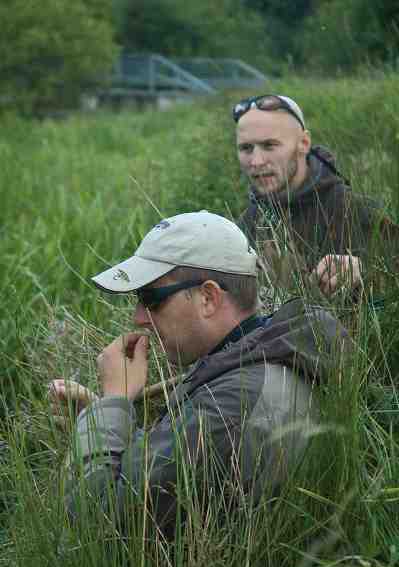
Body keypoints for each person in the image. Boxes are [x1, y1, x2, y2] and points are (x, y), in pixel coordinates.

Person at [51, 211, 350, 534]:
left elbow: (92, 518)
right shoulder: (268, 352)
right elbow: (170, 469)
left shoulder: (230, 403)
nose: (139, 317)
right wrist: (102, 416)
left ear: (208, 297)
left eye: (150, 298)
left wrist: (115, 399)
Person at [234, 94, 397, 298]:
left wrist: (363, 272)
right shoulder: (245, 225)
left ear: (303, 143)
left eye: (269, 146)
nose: (256, 161)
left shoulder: (353, 210)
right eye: (246, 148)